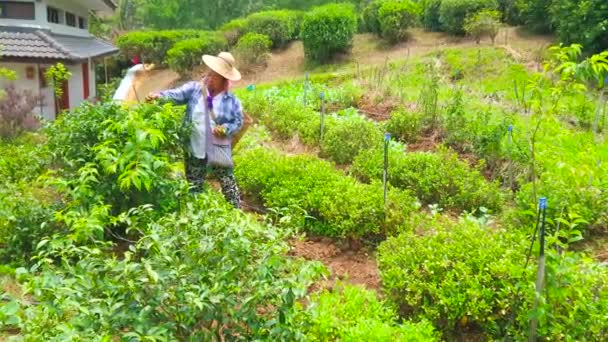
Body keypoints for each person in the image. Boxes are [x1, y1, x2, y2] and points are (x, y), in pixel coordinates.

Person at [146, 52, 244, 208]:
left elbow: (238, 122)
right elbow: (175, 95)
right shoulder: (195, 90)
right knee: (194, 185)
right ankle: (197, 215)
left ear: (224, 80)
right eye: (210, 73)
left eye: (216, 75)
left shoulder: (231, 101)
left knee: (227, 183)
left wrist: (225, 128)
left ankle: (236, 212)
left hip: (218, 148)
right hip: (194, 147)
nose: (211, 77)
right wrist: (159, 96)